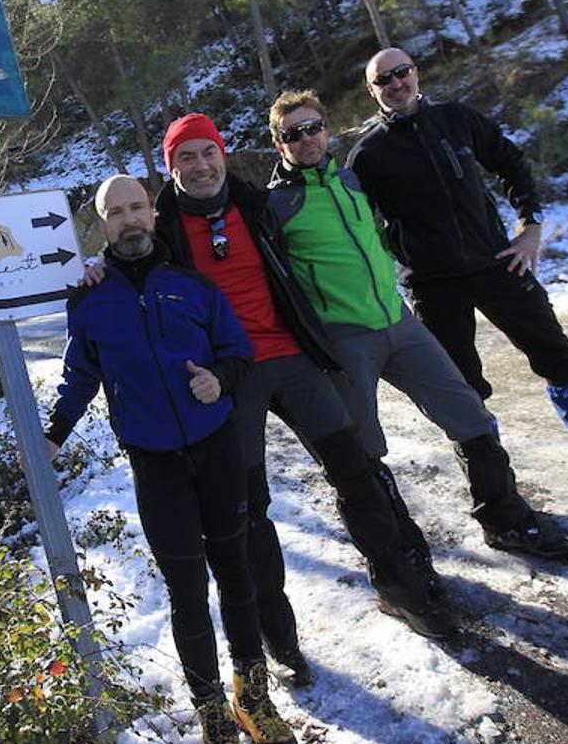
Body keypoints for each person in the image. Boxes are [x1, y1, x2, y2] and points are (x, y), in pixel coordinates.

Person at [151, 114, 455, 645]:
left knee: (355, 469)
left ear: (223, 154)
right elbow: (128, 266)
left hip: (293, 357)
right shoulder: (163, 230)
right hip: (229, 378)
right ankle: (277, 631)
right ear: (169, 164)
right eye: (186, 156)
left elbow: (328, 245)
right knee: (249, 506)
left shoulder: (256, 206)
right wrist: (96, 270)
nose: (200, 166)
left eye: (207, 152)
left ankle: (401, 588)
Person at [346, 48, 568, 507]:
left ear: (416, 73)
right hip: (432, 283)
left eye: (401, 72)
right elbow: (355, 225)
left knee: (558, 357)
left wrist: (531, 228)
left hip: (498, 262)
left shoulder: (457, 119)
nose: (395, 84)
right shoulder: (368, 154)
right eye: (383, 80)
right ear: (373, 92)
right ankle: (500, 493)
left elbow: (511, 163)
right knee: (461, 389)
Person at [44, 174, 297, 744]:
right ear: (100, 223)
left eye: (137, 207)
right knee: (187, 593)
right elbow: (79, 374)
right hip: (155, 465)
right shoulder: (88, 297)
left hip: (216, 450)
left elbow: (237, 350)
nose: (129, 219)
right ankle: (212, 714)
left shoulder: (193, 284)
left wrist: (221, 380)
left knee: (236, 576)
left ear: (153, 215)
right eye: (116, 212)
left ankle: (253, 698)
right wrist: (53, 434)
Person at [264, 88, 568, 558]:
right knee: (362, 451)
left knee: (468, 410)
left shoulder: (351, 181)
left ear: (326, 129)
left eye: (313, 128)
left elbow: (396, 229)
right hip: (343, 340)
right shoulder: (273, 206)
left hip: (398, 322)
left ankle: (504, 518)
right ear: (278, 144)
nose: (306, 139)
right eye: (293, 134)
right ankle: (401, 555)